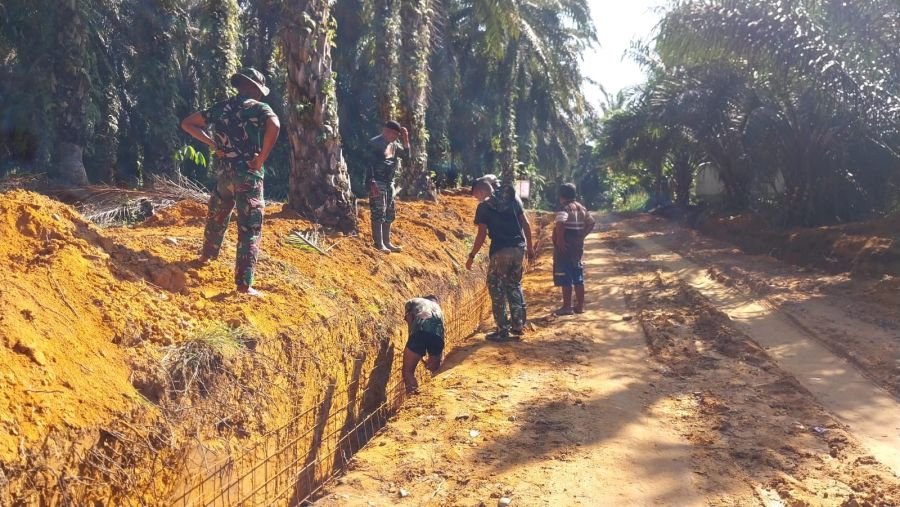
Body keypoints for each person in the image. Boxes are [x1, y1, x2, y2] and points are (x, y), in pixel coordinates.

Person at [180, 68, 280, 297]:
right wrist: (261, 158)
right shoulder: (259, 108)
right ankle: (244, 285)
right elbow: (274, 125)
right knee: (249, 228)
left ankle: (206, 256)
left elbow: (188, 123)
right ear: (255, 88)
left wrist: (213, 144)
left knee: (217, 215)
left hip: (225, 173)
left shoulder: (221, 107)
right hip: (248, 175)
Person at [465, 175, 535, 341]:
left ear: (480, 191)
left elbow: (481, 234)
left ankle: (502, 329)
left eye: (475, 195)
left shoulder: (484, 207)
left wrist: (472, 255)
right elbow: (525, 224)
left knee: (496, 288)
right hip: (518, 249)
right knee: (514, 285)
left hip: (500, 251)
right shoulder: (513, 199)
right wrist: (530, 247)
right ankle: (518, 325)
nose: (476, 199)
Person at [366, 120, 410, 253]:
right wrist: (371, 182)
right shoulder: (374, 143)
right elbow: (368, 164)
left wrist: (406, 140)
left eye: (397, 135)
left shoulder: (394, 145)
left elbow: (407, 159)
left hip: (389, 183)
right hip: (377, 181)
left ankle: (387, 242)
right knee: (378, 212)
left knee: (390, 212)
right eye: (393, 134)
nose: (395, 137)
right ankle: (379, 244)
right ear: (386, 131)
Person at [553, 183, 595, 315]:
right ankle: (580, 306)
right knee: (577, 274)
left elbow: (560, 224)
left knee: (565, 274)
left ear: (561, 196)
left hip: (566, 243)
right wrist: (582, 236)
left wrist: (560, 240)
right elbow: (591, 222)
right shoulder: (581, 207)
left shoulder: (564, 208)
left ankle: (567, 307)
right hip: (577, 245)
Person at [402, 295, 445, 394]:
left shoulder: (413, 302)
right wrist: (435, 359)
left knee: (408, 371)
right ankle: (435, 395)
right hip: (437, 337)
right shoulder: (438, 308)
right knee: (435, 369)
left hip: (419, 332)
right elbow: (441, 331)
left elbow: (409, 319)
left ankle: (413, 398)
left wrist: (411, 342)